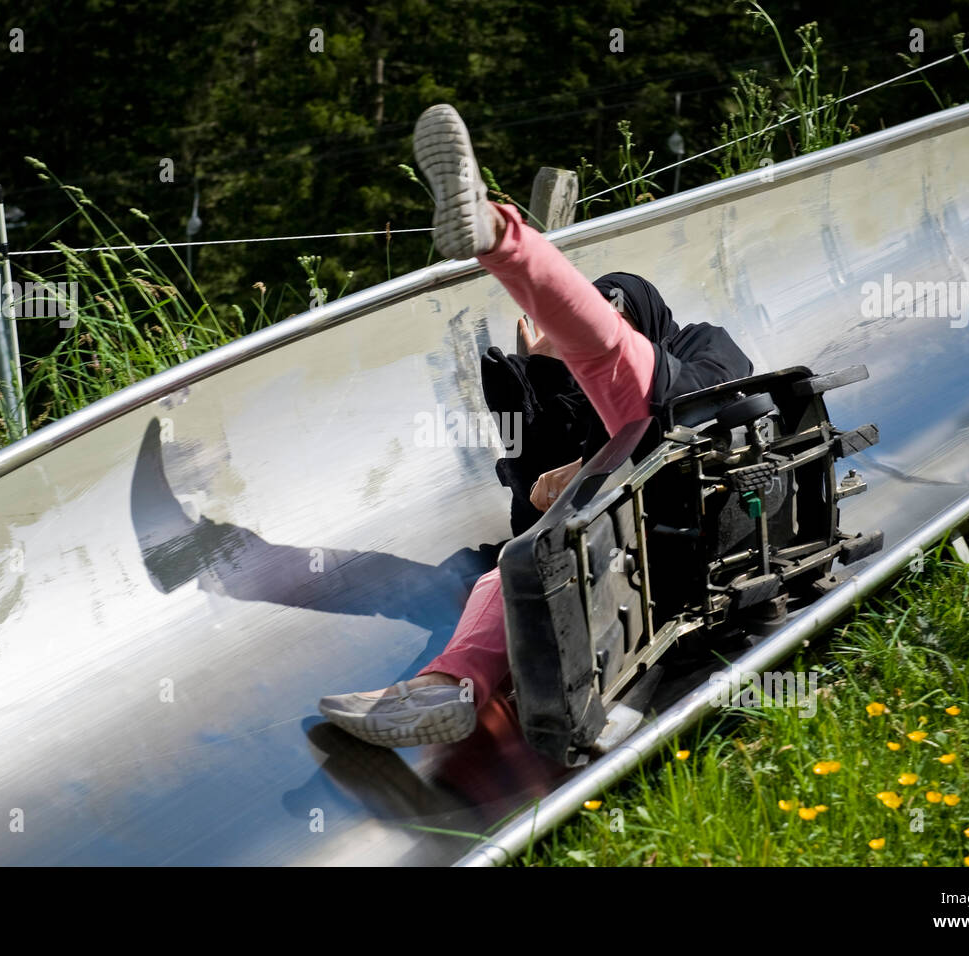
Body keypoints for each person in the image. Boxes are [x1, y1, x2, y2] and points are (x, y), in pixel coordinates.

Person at [318, 104, 752, 748]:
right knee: (512, 569)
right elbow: (531, 516)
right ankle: (447, 689)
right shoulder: (574, 395)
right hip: (623, 557)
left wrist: (593, 465)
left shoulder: (700, 345)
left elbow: (704, 408)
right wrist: (541, 381)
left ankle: (496, 232)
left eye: (620, 315)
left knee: (620, 373)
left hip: (703, 520)